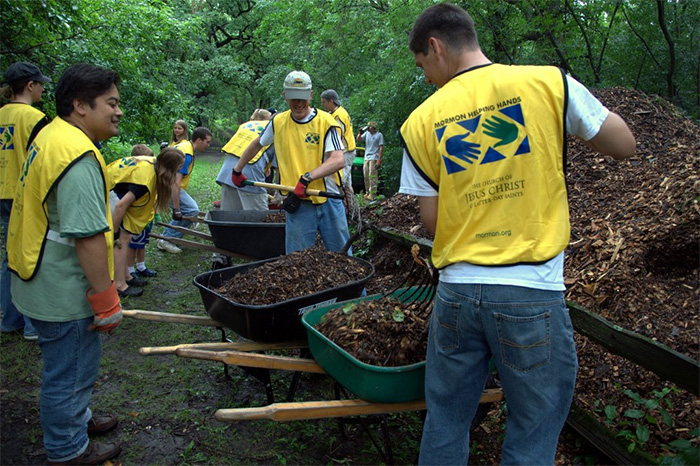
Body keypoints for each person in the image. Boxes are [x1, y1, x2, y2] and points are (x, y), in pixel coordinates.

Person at [398, 4, 636, 465]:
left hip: (456, 295)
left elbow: (431, 223)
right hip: (530, 293)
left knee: (445, 420)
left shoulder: (420, 123)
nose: (426, 78)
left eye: (423, 66)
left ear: (436, 46)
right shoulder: (548, 83)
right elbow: (624, 144)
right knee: (533, 429)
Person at [7, 63, 126, 465]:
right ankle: (67, 448)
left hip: (35, 277)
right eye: (111, 103)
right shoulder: (75, 155)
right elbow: (89, 236)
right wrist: (107, 300)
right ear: (80, 105)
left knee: (66, 367)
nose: (118, 111)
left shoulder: (53, 135)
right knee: (70, 374)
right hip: (61, 289)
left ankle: (78, 419)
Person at [231, 70, 350, 254]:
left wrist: (306, 178)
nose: (299, 103)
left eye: (303, 97)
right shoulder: (278, 122)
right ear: (285, 96)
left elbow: (337, 160)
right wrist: (237, 170)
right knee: (296, 260)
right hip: (297, 202)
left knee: (342, 257)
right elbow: (257, 144)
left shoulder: (326, 122)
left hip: (327, 199)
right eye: (294, 97)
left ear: (310, 95)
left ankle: (355, 285)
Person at [0, 62, 50, 340]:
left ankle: (10, 319)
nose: (43, 88)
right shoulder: (34, 118)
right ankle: (33, 325)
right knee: (32, 255)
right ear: (30, 86)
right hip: (22, 195)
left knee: (10, 256)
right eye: (40, 83)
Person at [108, 147, 184, 297]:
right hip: (108, 192)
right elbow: (120, 205)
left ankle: (127, 277)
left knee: (126, 237)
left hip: (117, 192)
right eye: (179, 166)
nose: (181, 169)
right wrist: (115, 231)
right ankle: (119, 284)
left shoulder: (155, 164)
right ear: (170, 168)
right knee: (121, 241)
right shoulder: (144, 182)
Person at [156, 126, 212, 254]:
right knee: (192, 210)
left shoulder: (186, 145)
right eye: (207, 142)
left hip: (165, 183)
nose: (208, 145)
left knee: (190, 210)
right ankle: (168, 239)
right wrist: (176, 209)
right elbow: (175, 183)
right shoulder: (186, 155)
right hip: (167, 186)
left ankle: (166, 237)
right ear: (198, 140)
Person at [216, 108, 275, 210]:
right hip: (249, 173)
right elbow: (279, 166)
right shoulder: (275, 129)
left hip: (227, 171)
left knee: (230, 217)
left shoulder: (246, 125)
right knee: (259, 217)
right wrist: (279, 194)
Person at [125, 144, 159, 279]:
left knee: (142, 243)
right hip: (135, 217)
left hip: (147, 216)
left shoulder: (150, 176)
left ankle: (141, 266)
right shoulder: (136, 178)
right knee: (132, 245)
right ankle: (130, 269)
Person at [320, 89, 357, 202]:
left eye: (324, 102)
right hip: (348, 149)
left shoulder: (337, 116)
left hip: (345, 151)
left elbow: (338, 136)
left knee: (340, 180)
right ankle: (351, 208)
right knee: (346, 183)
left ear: (331, 101)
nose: (322, 104)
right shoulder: (340, 111)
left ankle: (341, 205)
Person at [356, 120, 383, 200]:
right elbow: (358, 140)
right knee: (366, 175)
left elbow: (381, 147)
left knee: (372, 176)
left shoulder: (379, 135)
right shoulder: (367, 133)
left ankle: (373, 194)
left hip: (374, 157)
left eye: (370, 127)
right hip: (366, 157)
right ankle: (367, 192)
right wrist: (359, 133)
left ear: (374, 128)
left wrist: (379, 160)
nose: (368, 128)